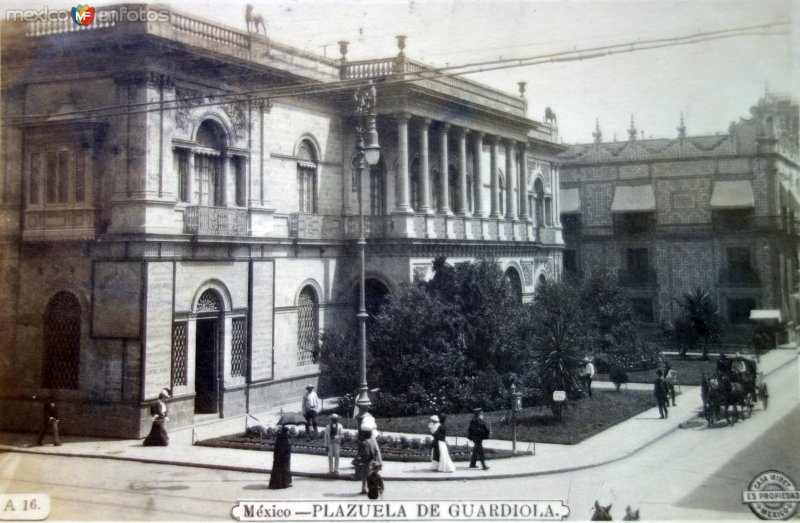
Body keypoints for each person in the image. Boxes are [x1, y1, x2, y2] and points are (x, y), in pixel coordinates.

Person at [355, 417, 380, 494]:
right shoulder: (372, 440)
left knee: (366, 475)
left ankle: (366, 489)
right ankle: (366, 488)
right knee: (369, 475)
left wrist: (362, 459)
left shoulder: (365, 442)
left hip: (367, 461)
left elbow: (366, 453)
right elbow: (375, 450)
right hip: (373, 460)